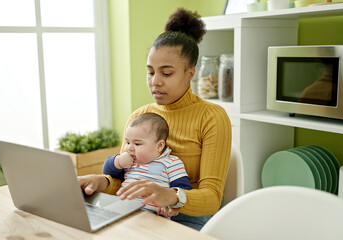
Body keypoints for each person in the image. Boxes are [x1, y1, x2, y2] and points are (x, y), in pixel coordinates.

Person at [78, 8, 231, 230]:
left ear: (190, 73)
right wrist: (98, 181)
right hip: (137, 210)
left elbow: (212, 198)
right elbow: (123, 179)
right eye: (150, 72)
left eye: (166, 73)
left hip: (187, 217)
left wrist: (169, 196)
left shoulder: (211, 117)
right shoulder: (140, 116)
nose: (155, 82)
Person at [102, 112, 192, 216]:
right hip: (120, 212)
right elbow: (107, 172)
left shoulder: (171, 162)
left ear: (159, 146)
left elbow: (183, 190)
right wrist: (117, 161)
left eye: (137, 144)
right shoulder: (129, 160)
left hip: (152, 217)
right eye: (127, 142)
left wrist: (171, 205)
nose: (130, 148)